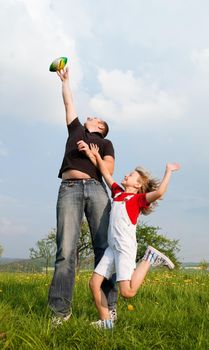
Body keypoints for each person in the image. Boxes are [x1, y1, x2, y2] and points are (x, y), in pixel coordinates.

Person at [48, 67, 117, 326]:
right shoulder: (75, 129)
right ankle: (60, 313)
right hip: (69, 189)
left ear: (101, 127)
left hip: (97, 190)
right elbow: (69, 102)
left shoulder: (106, 144)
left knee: (103, 248)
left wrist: (91, 154)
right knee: (66, 250)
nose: (89, 116)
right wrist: (65, 81)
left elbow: (108, 170)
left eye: (95, 117)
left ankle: (109, 309)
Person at [88, 144, 180, 329]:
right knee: (93, 283)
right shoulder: (117, 193)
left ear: (137, 185)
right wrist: (96, 155)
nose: (126, 175)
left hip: (125, 248)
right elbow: (106, 173)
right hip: (112, 248)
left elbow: (160, 193)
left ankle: (149, 258)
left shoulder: (138, 200)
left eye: (131, 175)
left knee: (127, 293)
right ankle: (106, 323)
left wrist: (168, 171)